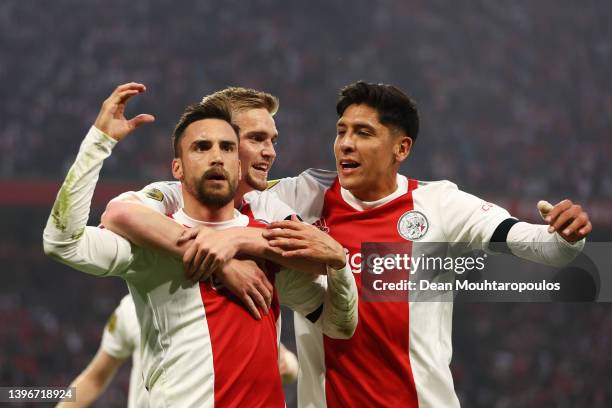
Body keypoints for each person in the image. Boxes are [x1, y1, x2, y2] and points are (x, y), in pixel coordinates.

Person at [117, 81, 593, 407]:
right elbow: (142, 209)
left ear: (400, 148)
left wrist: (566, 237)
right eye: (341, 131)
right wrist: (221, 247)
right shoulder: (294, 198)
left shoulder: (440, 203)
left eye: (363, 133)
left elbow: (542, 248)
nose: (344, 144)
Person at [43, 83, 356, 407]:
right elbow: (92, 227)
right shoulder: (159, 214)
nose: (270, 152)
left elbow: (333, 308)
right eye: (256, 139)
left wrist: (244, 239)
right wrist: (98, 143)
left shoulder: (271, 213)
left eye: (272, 140)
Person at [57, 294, 300, 408]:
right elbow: (95, 378)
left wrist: (289, 367)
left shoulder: (221, 303)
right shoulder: (130, 310)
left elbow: (284, 362)